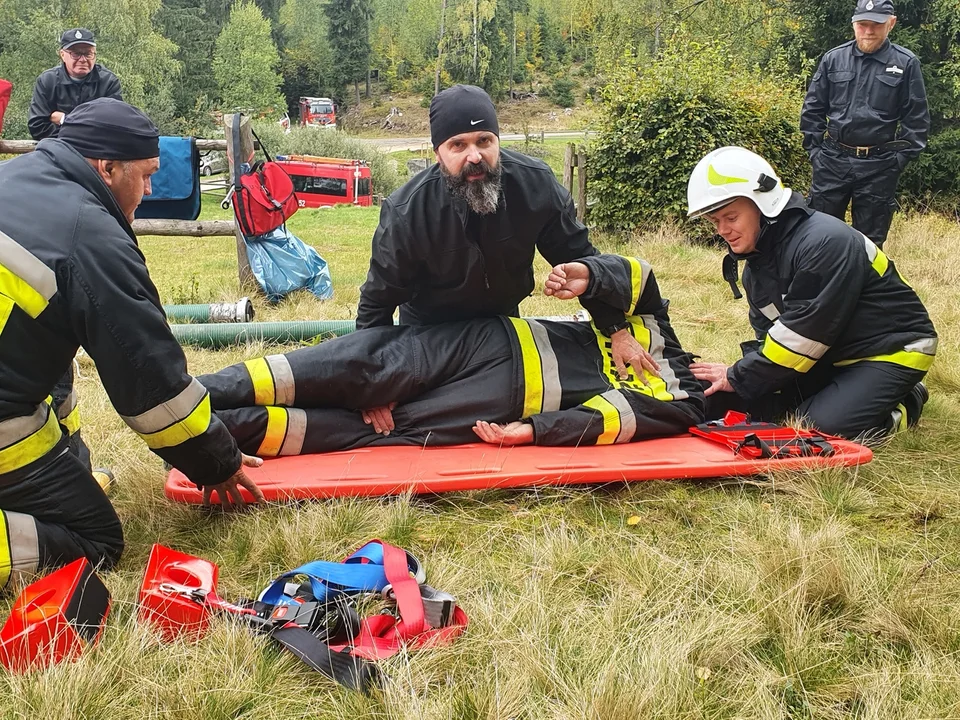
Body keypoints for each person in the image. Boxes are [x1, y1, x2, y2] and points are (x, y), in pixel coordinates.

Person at [0, 98, 263, 594]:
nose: (145, 193)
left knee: (52, 361)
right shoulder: (89, 237)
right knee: (95, 539)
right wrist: (218, 461)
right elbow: (151, 383)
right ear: (107, 166)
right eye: (143, 177)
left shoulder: (18, 178)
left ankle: (62, 469)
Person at [356, 84, 657, 435]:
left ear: (498, 142)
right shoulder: (407, 212)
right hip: (430, 336)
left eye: (484, 141)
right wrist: (375, 382)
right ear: (438, 153)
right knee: (424, 425)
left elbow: (582, 263)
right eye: (458, 145)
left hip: (504, 330)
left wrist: (616, 330)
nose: (475, 156)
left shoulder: (535, 185)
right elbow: (376, 303)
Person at [200, 254, 704, 457]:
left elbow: (608, 422)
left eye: (733, 378)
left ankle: (219, 431)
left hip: (499, 400)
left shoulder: (685, 404)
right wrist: (596, 287)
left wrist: (530, 432)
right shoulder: (662, 333)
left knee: (383, 432)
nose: (719, 373)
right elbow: (641, 277)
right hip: (493, 340)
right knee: (368, 366)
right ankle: (198, 393)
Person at [686, 146, 936, 440]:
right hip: (830, 353)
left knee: (816, 430)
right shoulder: (755, 269)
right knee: (772, 410)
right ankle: (855, 395)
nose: (723, 230)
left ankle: (907, 402)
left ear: (763, 204)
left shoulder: (824, 243)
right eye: (715, 222)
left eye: (731, 217)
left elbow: (805, 333)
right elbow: (772, 338)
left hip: (890, 350)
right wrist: (741, 379)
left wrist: (737, 376)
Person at [799, 0, 929, 248]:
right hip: (832, 161)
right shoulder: (833, 59)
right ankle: (820, 286)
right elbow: (812, 110)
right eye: (863, 24)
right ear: (853, 24)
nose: (868, 30)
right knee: (817, 234)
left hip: (879, 166)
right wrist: (816, 154)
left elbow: (917, 120)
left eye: (876, 25)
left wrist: (896, 163)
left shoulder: (905, 63)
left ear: (890, 23)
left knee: (870, 244)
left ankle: (864, 287)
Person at [28, 28, 123, 141]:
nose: (82, 59)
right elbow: (37, 128)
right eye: (76, 54)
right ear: (62, 55)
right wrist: (85, 131)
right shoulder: (47, 81)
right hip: (58, 149)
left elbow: (114, 126)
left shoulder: (108, 82)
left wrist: (64, 120)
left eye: (88, 54)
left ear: (95, 55)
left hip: (97, 152)